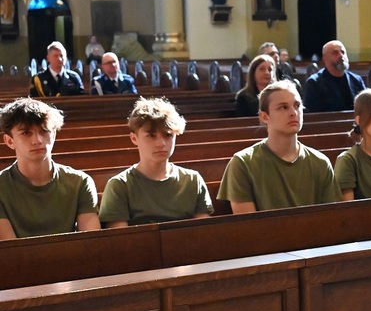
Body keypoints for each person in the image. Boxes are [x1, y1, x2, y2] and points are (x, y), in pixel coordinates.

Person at [218, 80, 340, 213]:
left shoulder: (320, 162)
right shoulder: (243, 163)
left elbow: (331, 217)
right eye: (283, 107)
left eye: (297, 105)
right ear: (264, 116)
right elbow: (248, 223)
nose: (294, 113)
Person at [99, 98, 214, 227]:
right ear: (134, 138)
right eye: (151, 136)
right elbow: (120, 236)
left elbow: (203, 231)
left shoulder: (192, 180)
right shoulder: (120, 185)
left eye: (168, 135)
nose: (161, 144)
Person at [0, 98, 99, 240]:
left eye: (44, 131)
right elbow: (11, 249)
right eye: (26, 133)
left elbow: (90, 243)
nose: (37, 140)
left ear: (54, 134)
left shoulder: (80, 182)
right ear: (10, 141)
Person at [302, 40, 365, 112]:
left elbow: (367, 108)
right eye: (335, 53)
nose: (341, 56)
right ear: (325, 58)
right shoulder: (314, 83)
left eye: (343, 52)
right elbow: (312, 115)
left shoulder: (356, 80)